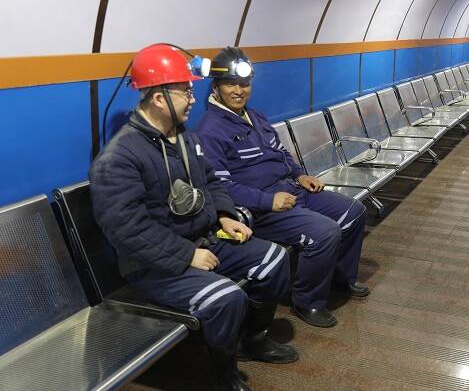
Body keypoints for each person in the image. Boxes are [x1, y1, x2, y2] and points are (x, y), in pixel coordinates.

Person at [90, 44, 298, 391]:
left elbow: (211, 181)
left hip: (203, 239)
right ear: (159, 98)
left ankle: (254, 340)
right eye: (185, 92)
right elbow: (126, 229)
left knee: (275, 260)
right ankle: (223, 374)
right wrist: (187, 255)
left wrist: (225, 215)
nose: (192, 99)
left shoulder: (184, 138)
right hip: (153, 264)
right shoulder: (120, 158)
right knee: (226, 298)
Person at [196, 47, 369, 329]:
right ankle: (308, 301)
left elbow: (282, 153)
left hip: (292, 191)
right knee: (324, 233)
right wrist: (268, 201)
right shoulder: (209, 131)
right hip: (260, 210)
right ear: (216, 87)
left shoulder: (257, 118)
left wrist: (300, 175)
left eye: (244, 84)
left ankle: (339, 277)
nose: (239, 90)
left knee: (354, 212)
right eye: (231, 84)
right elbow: (221, 187)